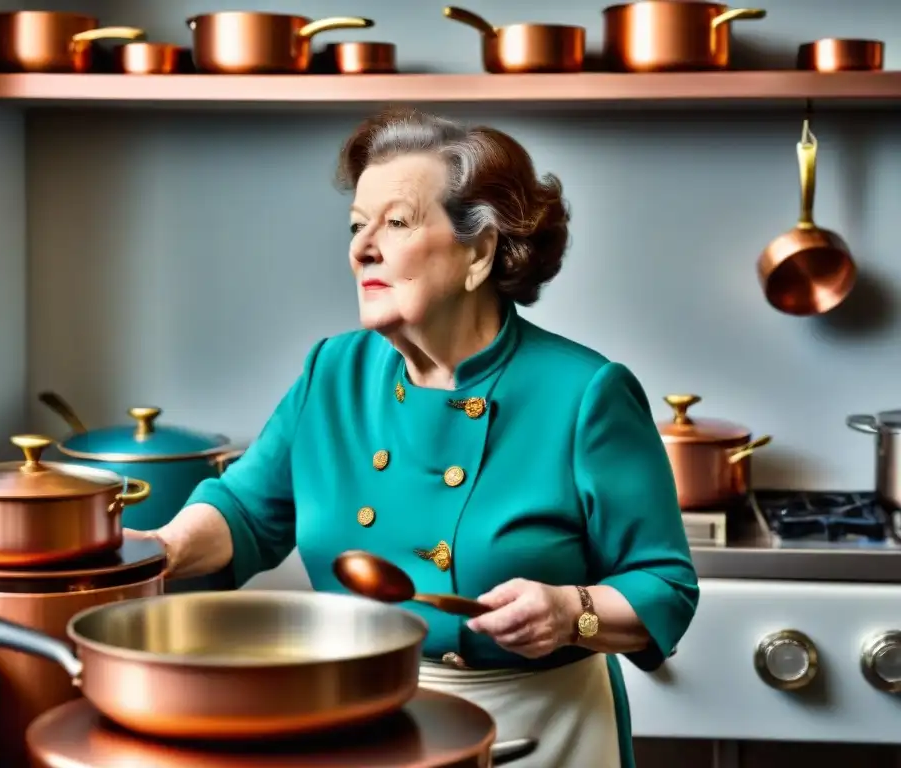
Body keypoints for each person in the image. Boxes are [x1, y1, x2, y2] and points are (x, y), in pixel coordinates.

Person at [133, 107, 698, 768]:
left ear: (480, 251)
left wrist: (572, 613)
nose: (361, 247)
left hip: (539, 732)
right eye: (355, 226)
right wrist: (158, 551)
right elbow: (246, 511)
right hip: (364, 721)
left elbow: (666, 585)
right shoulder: (332, 372)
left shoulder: (583, 393)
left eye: (395, 223)